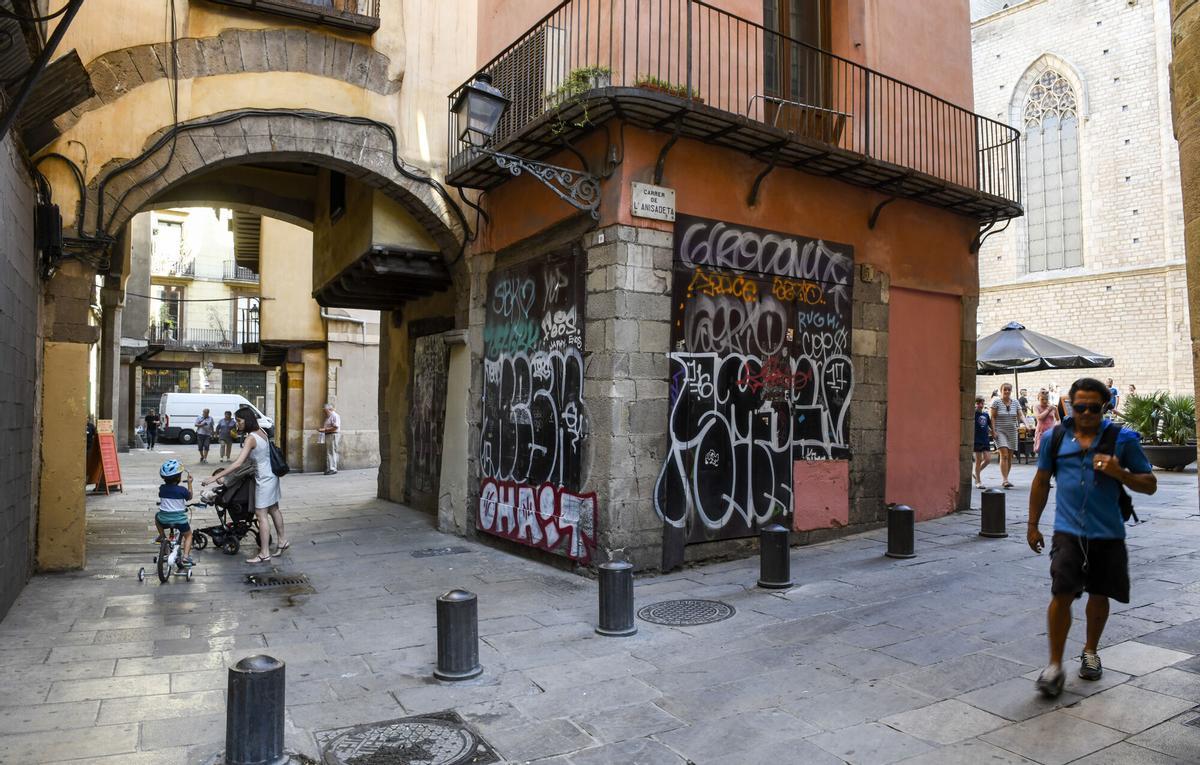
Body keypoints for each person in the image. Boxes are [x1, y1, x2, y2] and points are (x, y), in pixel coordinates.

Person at [1027, 378, 1156, 698]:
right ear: (1069, 405)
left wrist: (1120, 473)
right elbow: (1041, 480)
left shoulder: (1122, 439)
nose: (1085, 413)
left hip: (1108, 532)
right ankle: (1055, 665)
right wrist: (1032, 524)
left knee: (1100, 594)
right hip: (1068, 531)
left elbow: (1150, 483)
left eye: (1093, 408)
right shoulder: (1056, 437)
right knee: (1062, 593)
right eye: (1078, 406)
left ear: (1106, 406)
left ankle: (1090, 651)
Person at [203, 406, 287, 563]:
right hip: (272, 476)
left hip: (263, 479)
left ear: (247, 420)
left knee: (261, 515)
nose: (237, 424)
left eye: (239, 421)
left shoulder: (251, 438)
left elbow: (238, 463)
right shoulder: (261, 431)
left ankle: (264, 553)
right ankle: (282, 541)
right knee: (274, 509)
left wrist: (215, 478)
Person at [155, 459, 195, 568]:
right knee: (188, 535)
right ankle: (186, 556)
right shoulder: (181, 490)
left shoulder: (162, 489)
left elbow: (164, 497)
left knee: (156, 517)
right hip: (180, 521)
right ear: (178, 478)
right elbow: (189, 497)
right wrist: (190, 484)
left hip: (164, 519)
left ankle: (162, 536)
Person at [990, 383, 1020, 489]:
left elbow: (1020, 414)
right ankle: (1005, 480)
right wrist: (993, 431)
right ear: (1001, 390)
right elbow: (992, 417)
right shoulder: (996, 402)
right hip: (1000, 430)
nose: (1007, 391)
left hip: (1012, 431)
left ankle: (1006, 477)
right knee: (1004, 455)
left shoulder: (1015, 402)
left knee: (1010, 457)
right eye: (1005, 389)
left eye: (1009, 390)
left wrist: (1026, 423)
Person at [973, 396, 992, 489]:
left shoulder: (986, 415)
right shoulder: (973, 414)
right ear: (975, 404)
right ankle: (978, 481)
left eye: (982, 403)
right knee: (978, 460)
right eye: (978, 403)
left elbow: (989, 426)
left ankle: (976, 473)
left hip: (985, 439)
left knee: (988, 459)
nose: (980, 405)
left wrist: (993, 432)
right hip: (976, 440)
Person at [1032, 389, 1059, 454]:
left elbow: (1058, 419)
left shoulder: (1054, 408)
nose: (1044, 401)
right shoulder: (1036, 407)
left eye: (1046, 399)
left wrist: (1056, 426)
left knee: (1051, 451)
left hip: (1051, 432)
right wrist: (1048, 409)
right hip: (1041, 432)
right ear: (1038, 398)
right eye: (1042, 399)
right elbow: (1039, 417)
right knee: (1041, 451)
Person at [318, 403, 342, 475]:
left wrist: (324, 430)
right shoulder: (329, 416)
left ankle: (333, 468)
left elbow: (335, 427)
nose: (325, 412)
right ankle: (330, 468)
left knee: (332, 452)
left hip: (333, 435)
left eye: (326, 410)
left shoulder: (334, 416)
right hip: (329, 435)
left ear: (330, 409)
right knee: (329, 452)